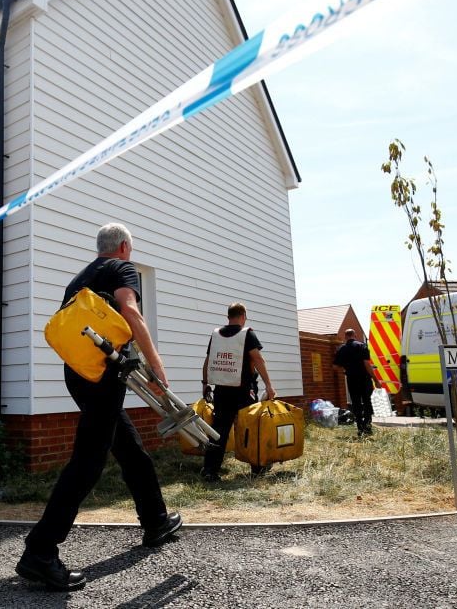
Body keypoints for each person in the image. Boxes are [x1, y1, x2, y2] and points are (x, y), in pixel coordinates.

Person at [17, 223, 182, 591]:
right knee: (88, 462)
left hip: (78, 374)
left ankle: (155, 519)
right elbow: (131, 312)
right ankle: (40, 552)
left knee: (128, 446)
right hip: (104, 375)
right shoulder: (121, 269)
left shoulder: (79, 279)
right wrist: (157, 367)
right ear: (124, 247)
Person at [200, 303, 277, 481]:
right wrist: (269, 385)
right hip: (244, 391)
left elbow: (208, 361)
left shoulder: (216, 335)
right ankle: (257, 468)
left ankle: (210, 471)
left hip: (221, 391)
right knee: (251, 428)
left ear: (229, 316)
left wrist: (205, 384)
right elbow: (257, 359)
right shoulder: (247, 333)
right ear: (243, 315)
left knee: (218, 431)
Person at [334, 328, 379, 436]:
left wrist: (346, 369)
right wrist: (375, 379)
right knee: (367, 402)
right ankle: (367, 427)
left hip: (351, 379)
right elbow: (366, 364)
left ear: (345, 336)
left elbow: (335, 366)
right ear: (355, 335)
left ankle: (360, 428)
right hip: (364, 379)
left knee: (356, 403)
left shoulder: (341, 349)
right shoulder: (362, 345)